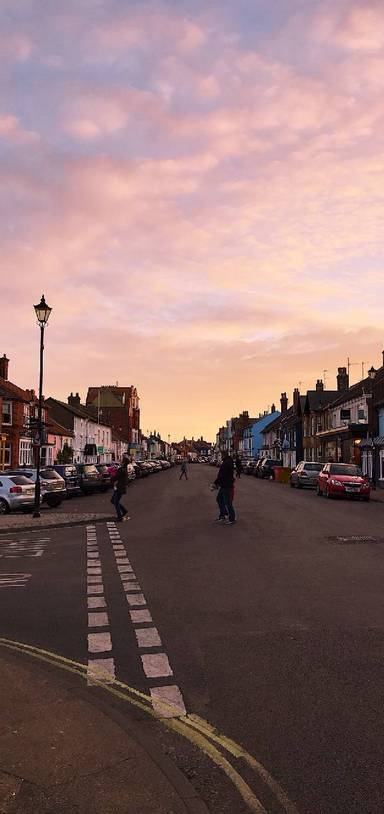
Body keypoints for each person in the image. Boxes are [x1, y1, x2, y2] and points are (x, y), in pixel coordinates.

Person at [214, 453, 236, 524]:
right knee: (220, 499)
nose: (220, 456)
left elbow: (222, 475)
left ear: (224, 455)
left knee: (227, 502)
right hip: (225, 485)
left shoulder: (226, 463)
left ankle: (231, 518)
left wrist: (216, 483)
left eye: (221, 455)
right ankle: (223, 515)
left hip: (226, 485)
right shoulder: (228, 462)